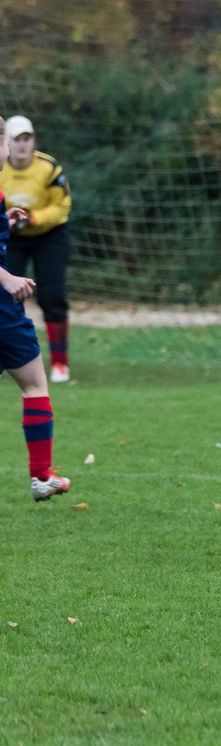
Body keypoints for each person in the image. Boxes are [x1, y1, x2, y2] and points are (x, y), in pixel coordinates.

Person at [0, 116, 72, 502]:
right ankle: (41, 476)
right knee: (33, 384)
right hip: (2, 305)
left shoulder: (39, 172)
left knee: (33, 382)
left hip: (6, 307)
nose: (11, 150)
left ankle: (43, 477)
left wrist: (5, 222)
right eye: (6, 143)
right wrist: (7, 278)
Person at [0, 115, 73, 383]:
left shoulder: (49, 167)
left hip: (49, 236)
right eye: (16, 139)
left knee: (52, 294)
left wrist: (34, 219)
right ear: (6, 142)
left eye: (26, 138)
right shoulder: (1, 168)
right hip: (11, 237)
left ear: (34, 141)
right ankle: (12, 359)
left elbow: (62, 206)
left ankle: (60, 364)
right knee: (5, 296)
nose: (21, 145)